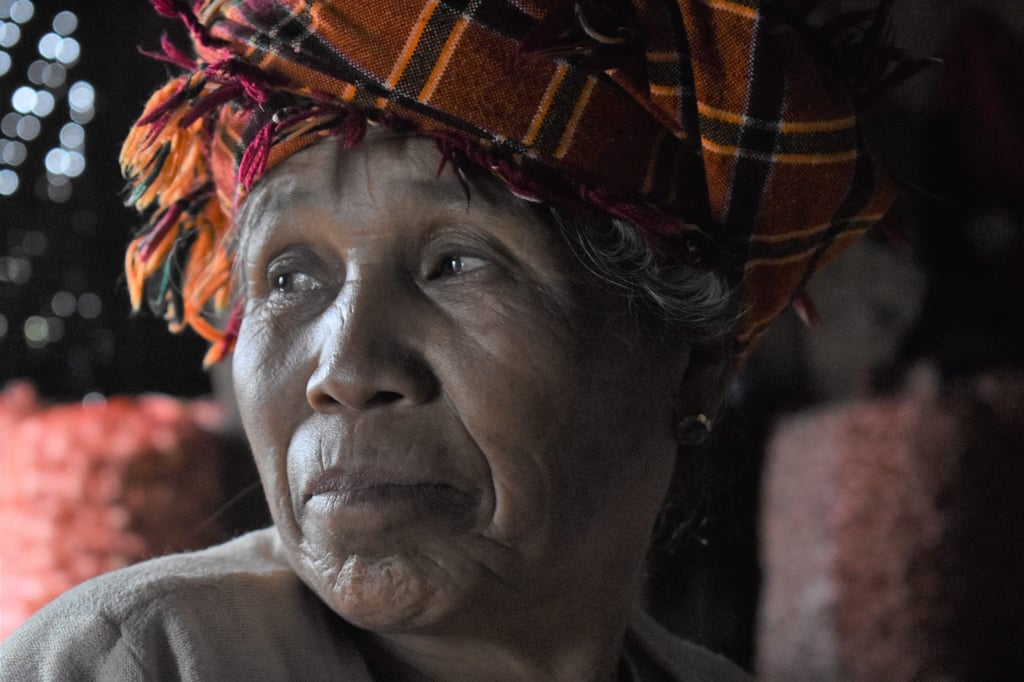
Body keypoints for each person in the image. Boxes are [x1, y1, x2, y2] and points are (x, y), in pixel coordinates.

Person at [0, 0, 892, 678]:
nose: (345, 371)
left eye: (458, 264)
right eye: (289, 278)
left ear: (694, 364)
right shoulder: (144, 661)